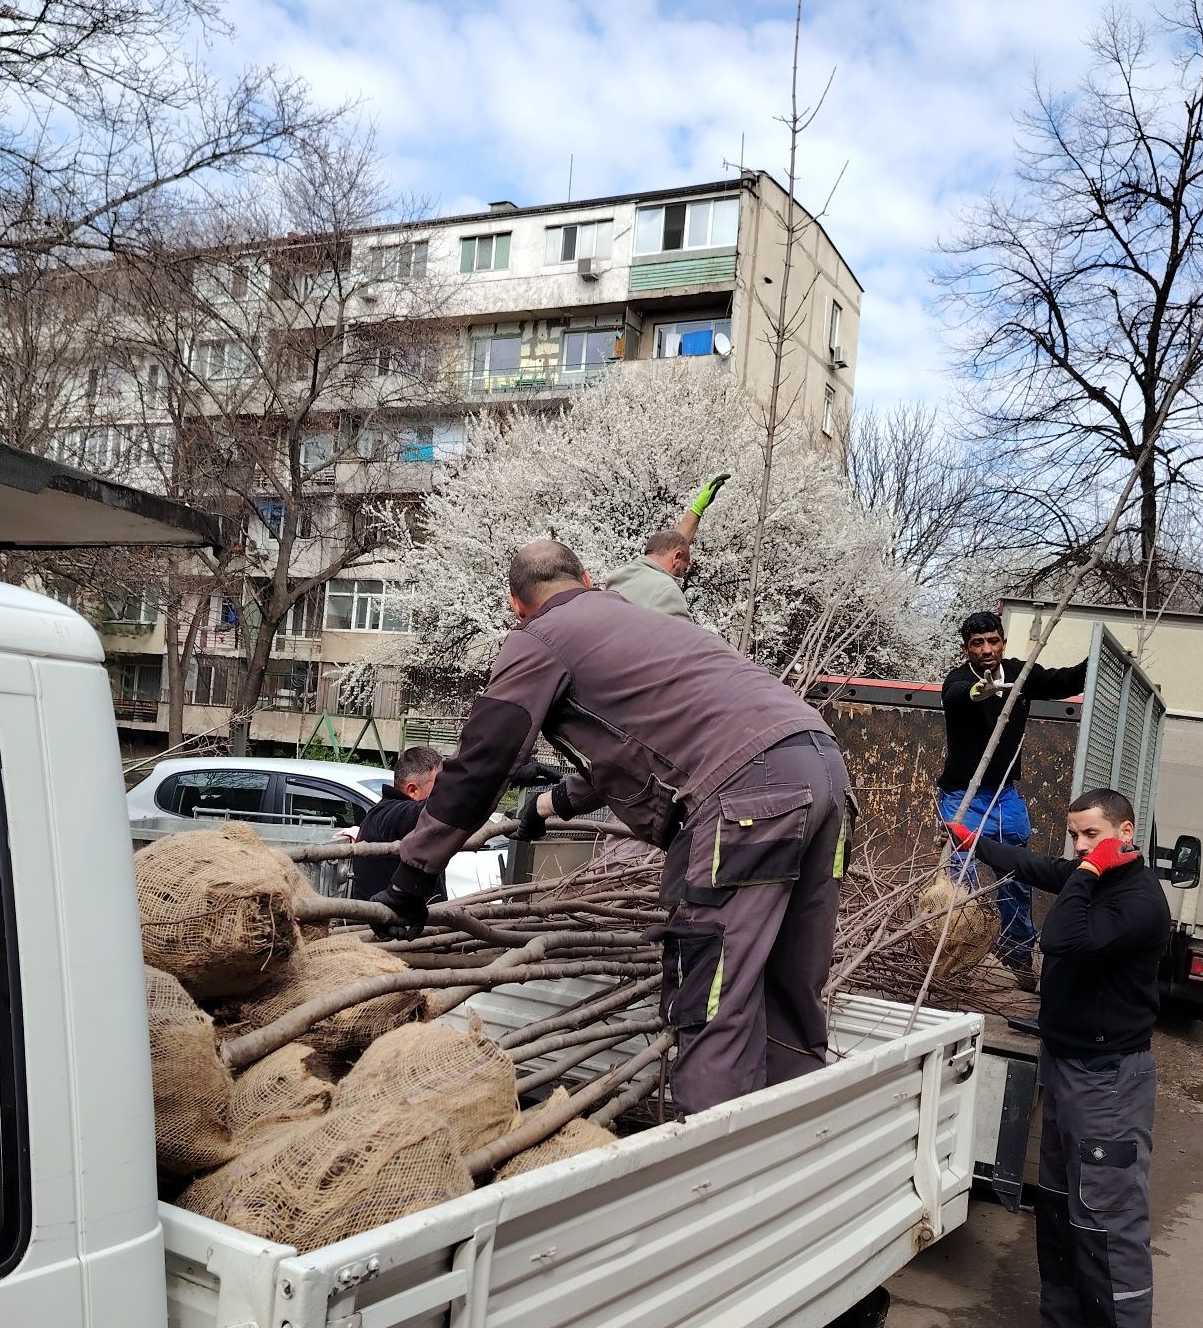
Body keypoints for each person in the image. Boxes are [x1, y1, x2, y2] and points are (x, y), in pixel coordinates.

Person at [368, 539, 849, 1114]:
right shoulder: (637, 624)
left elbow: (477, 766)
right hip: (823, 768)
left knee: (715, 997)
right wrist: (549, 806)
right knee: (793, 989)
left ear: (514, 606)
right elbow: (648, 748)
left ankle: (713, 1183)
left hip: (748, 798)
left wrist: (414, 874)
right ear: (588, 578)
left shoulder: (538, 638)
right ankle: (797, 1151)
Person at [945, 788, 1172, 1328]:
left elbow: (1063, 936)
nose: (1077, 849)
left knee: (1108, 1224)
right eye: (1072, 836)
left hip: (1110, 1082)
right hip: (1069, 1066)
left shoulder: (1139, 902)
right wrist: (976, 844)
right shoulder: (1084, 872)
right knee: (1060, 1207)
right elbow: (1036, 868)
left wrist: (1092, 869)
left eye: (1090, 836)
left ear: (1125, 832)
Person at [938, 609, 1087, 987]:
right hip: (963, 797)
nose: (986, 650)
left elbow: (1065, 680)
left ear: (1002, 642)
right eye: (977, 644)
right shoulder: (959, 680)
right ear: (966, 649)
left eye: (992, 641)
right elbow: (957, 696)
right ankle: (954, 959)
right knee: (960, 880)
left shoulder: (1022, 673)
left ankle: (1018, 956)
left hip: (1004, 797)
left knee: (1018, 874)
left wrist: (1098, 663)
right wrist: (979, 692)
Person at [604, 473, 730, 619]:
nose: (682, 577)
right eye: (684, 569)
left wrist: (697, 510)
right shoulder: (667, 591)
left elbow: (673, 545)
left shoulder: (618, 577)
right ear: (676, 558)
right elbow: (686, 639)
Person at [349, 746, 446, 903]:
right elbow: (427, 811)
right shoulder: (385, 816)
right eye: (440, 787)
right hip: (383, 926)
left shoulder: (387, 813)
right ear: (413, 790)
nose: (443, 793)